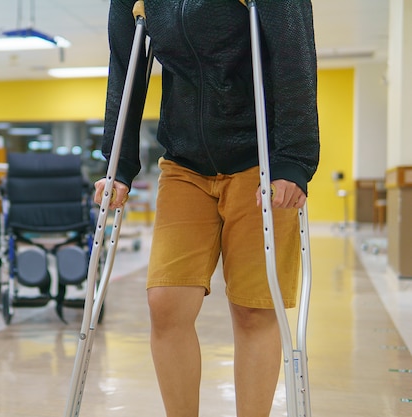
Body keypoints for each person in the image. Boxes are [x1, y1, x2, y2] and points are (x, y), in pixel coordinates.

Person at [93, 1, 320, 417]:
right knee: (166, 303)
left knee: (254, 310)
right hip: (184, 163)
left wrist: (294, 159)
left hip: (261, 163)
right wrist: (117, 166)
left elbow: (295, 57)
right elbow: (125, 71)